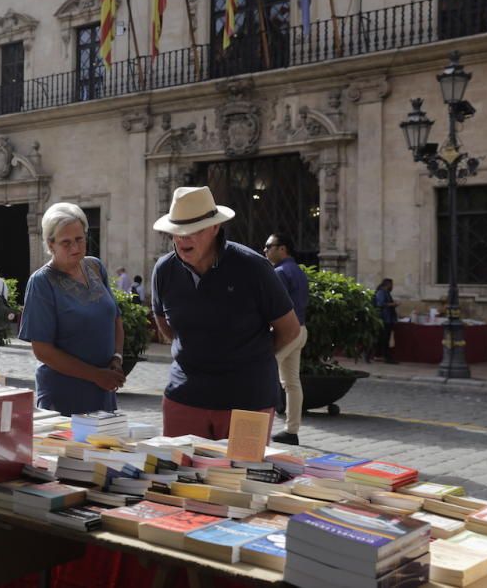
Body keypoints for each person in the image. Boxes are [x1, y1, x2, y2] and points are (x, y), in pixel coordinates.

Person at [151, 187, 300, 440]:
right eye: (177, 231)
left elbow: (290, 329)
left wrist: (249, 356)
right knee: (181, 476)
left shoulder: (253, 267)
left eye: (194, 230)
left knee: (239, 477)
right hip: (184, 399)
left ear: (215, 228)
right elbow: (164, 324)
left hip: (247, 401)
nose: (183, 239)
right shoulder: (164, 269)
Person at [19, 202, 126, 415]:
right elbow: (42, 351)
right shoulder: (41, 282)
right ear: (51, 245)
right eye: (66, 243)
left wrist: (117, 358)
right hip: (63, 394)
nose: (75, 248)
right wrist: (96, 375)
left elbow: (115, 318)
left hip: (104, 388)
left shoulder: (95, 267)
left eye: (79, 239)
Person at [264, 233, 309, 446]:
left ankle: (257, 427)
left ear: (283, 249)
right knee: (292, 383)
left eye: (269, 246)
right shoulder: (298, 271)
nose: (265, 250)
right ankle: (291, 430)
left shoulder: (280, 272)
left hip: (286, 332)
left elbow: (274, 307)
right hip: (300, 330)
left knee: (261, 374)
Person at [374, 278, 399, 364]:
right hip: (384, 319)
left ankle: (381, 355)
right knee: (384, 339)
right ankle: (385, 357)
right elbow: (380, 304)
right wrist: (393, 304)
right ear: (387, 285)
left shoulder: (387, 293)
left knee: (385, 339)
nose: (392, 287)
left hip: (388, 319)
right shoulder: (381, 292)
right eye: (391, 285)